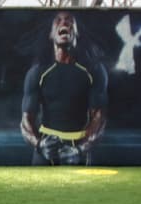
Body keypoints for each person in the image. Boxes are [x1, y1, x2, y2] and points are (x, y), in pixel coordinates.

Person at [20, 10, 107, 165]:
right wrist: (39, 145)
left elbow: (98, 119)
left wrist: (81, 149)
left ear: (77, 33)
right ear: (51, 34)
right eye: (58, 20)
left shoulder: (94, 70)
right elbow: (26, 119)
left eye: (69, 20)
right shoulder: (37, 72)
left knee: (80, 190)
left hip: (78, 148)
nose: (64, 23)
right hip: (46, 148)